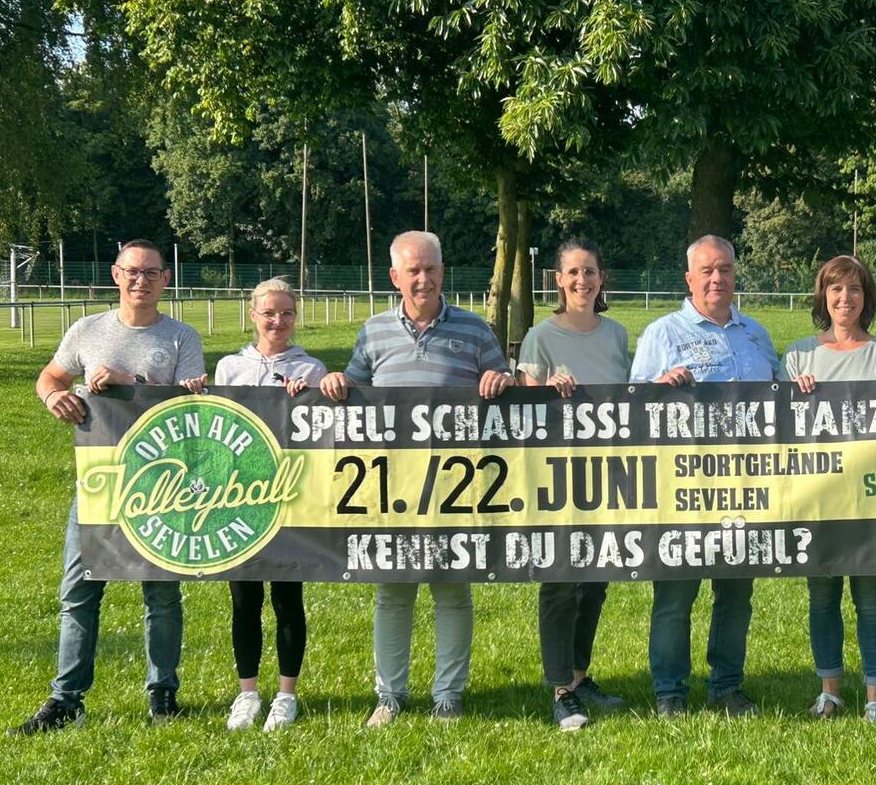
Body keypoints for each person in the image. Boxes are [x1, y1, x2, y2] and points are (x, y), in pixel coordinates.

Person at [9, 239, 207, 735]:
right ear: (116, 275)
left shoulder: (182, 337)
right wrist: (53, 394)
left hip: (163, 485)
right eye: (132, 272)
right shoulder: (87, 330)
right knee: (79, 590)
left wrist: (128, 379)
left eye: (151, 273)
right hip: (99, 482)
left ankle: (163, 693)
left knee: (161, 592)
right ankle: (66, 698)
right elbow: (50, 375)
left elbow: (189, 405)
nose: (141, 281)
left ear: (166, 280)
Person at [320, 230, 514, 727]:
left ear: (442, 272)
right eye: (413, 271)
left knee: (452, 590)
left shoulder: (475, 330)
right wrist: (338, 382)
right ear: (395, 278)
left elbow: (504, 387)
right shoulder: (373, 332)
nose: (423, 278)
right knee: (394, 590)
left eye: (430, 268)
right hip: (393, 489)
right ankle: (389, 695)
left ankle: (448, 695)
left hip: (458, 486)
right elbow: (355, 391)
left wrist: (501, 379)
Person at [629, 234, 782, 718]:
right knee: (676, 593)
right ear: (689, 278)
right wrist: (658, 386)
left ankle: (727, 686)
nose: (718, 279)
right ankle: (669, 691)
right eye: (708, 271)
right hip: (682, 488)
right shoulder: (663, 333)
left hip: (747, 486)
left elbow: (782, 403)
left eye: (726, 270)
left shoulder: (756, 334)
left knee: (736, 594)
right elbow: (630, 406)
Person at [784, 255, 876, 723]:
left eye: (854, 290)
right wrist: (791, 391)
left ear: (866, 298)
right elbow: (779, 424)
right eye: (835, 290)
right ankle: (830, 690)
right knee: (822, 595)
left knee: (872, 598)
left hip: (871, 498)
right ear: (823, 296)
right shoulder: (797, 356)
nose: (844, 299)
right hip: (816, 496)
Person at [517, 238, 631, 731]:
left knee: (594, 583)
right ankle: (560, 688)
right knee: (559, 582)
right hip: (553, 479)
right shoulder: (539, 337)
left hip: (607, 477)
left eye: (590, 272)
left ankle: (581, 677)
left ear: (602, 279)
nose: (581, 281)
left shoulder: (619, 335)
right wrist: (546, 391)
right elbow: (520, 410)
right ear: (557, 281)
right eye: (572, 273)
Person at [214, 278, 327, 731]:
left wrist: (311, 399)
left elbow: (325, 431)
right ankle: (247, 694)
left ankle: (286, 694)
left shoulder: (313, 369)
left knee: (287, 596)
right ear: (252, 315)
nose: (277, 321)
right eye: (269, 313)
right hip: (239, 498)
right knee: (244, 599)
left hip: (289, 498)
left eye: (286, 314)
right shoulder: (229, 367)